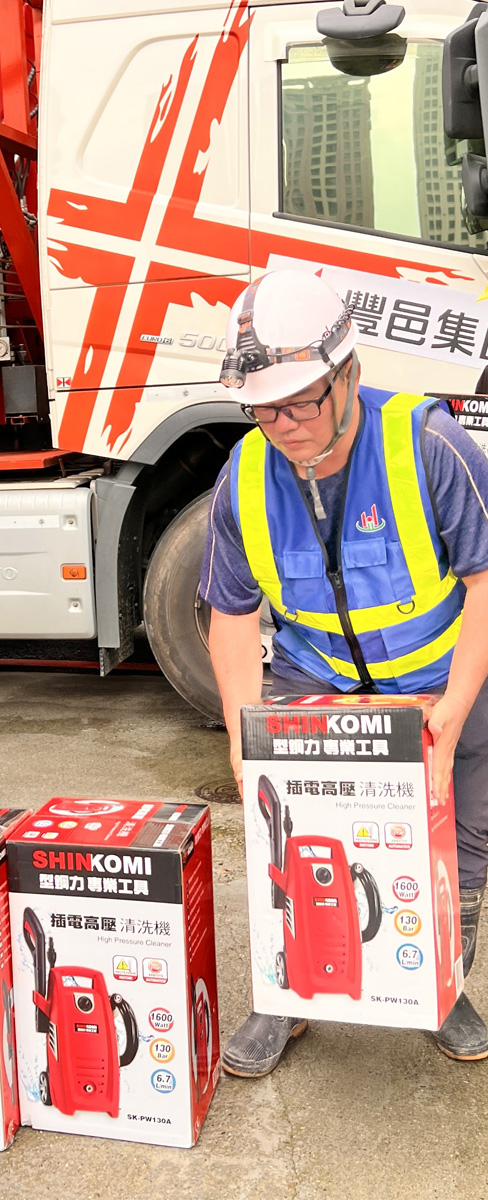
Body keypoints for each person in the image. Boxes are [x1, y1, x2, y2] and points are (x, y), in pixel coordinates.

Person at [201, 269, 488, 1077]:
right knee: (281, 834)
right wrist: (239, 735)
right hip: (314, 675)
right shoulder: (243, 478)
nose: (283, 424)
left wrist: (456, 709)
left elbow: (485, 584)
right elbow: (230, 614)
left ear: (347, 373)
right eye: (264, 406)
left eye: (301, 400)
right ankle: (286, 999)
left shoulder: (428, 445)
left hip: (438, 673)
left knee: (460, 845)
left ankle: (442, 988)